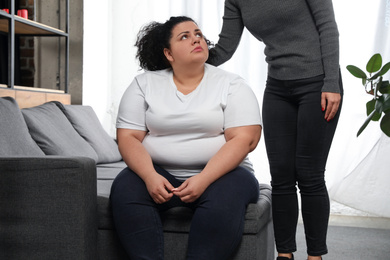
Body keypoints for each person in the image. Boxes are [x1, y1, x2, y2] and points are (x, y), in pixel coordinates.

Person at [110, 16, 262, 260]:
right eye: (185, 36)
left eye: (198, 34)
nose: (196, 39)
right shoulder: (144, 84)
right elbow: (128, 137)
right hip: (158, 172)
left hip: (223, 175)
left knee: (223, 201)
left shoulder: (232, 84)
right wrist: (150, 176)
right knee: (125, 189)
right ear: (169, 54)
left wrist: (203, 179)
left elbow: (246, 140)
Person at [207, 1, 343, 260]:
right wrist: (184, 57)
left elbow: (328, 27)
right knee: (280, 176)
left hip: (319, 83)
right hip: (278, 87)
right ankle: (285, 253)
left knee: (309, 175)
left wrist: (332, 83)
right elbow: (225, 47)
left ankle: (315, 256)